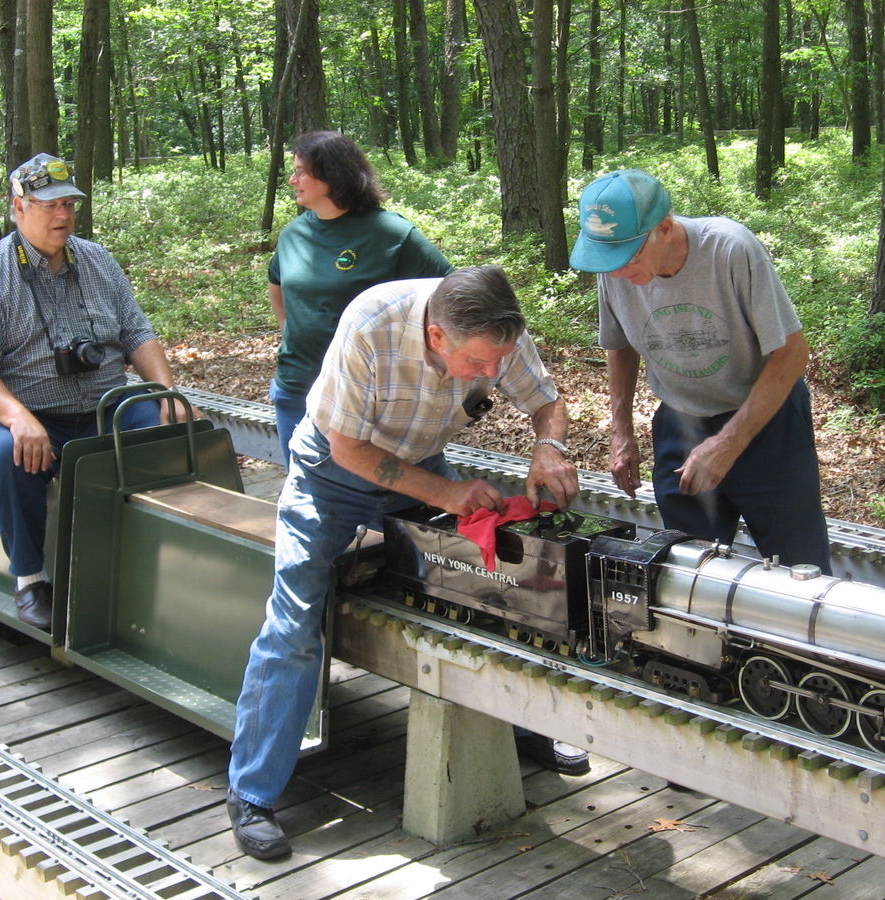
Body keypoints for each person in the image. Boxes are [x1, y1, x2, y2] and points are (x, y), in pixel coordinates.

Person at [227, 266, 581, 860]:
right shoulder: (372, 324)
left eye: (500, 360)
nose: (492, 373)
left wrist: (549, 447)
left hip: (418, 464)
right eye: (479, 362)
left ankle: (524, 727)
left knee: (493, 590)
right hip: (330, 473)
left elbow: (546, 401)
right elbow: (348, 448)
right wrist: (447, 494)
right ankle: (252, 791)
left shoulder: (494, 329)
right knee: (296, 623)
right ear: (437, 336)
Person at [0, 153, 185, 629]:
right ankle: (30, 578)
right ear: (19, 207)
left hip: (104, 406)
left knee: (176, 429)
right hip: (31, 411)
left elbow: (138, 334)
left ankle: (164, 557)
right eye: (50, 205)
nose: (64, 215)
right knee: (8, 454)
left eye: (69, 205)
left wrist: (165, 394)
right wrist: (18, 418)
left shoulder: (97, 260)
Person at [570, 169, 830, 573]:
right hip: (682, 422)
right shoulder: (614, 269)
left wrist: (728, 443)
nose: (617, 270)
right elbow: (619, 345)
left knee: (798, 567)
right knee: (688, 565)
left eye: (629, 254)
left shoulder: (730, 250)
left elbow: (792, 353)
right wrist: (621, 431)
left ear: (664, 228)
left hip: (768, 421)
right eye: (607, 257)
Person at [269, 131, 453, 459]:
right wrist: (289, 331)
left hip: (366, 397)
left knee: (375, 488)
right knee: (302, 485)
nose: (292, 180)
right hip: (296, 385)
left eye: (301, 172)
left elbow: (451, 291)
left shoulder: (390, 234)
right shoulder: (294, 234)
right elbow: (277, 283)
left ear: (332, 175)